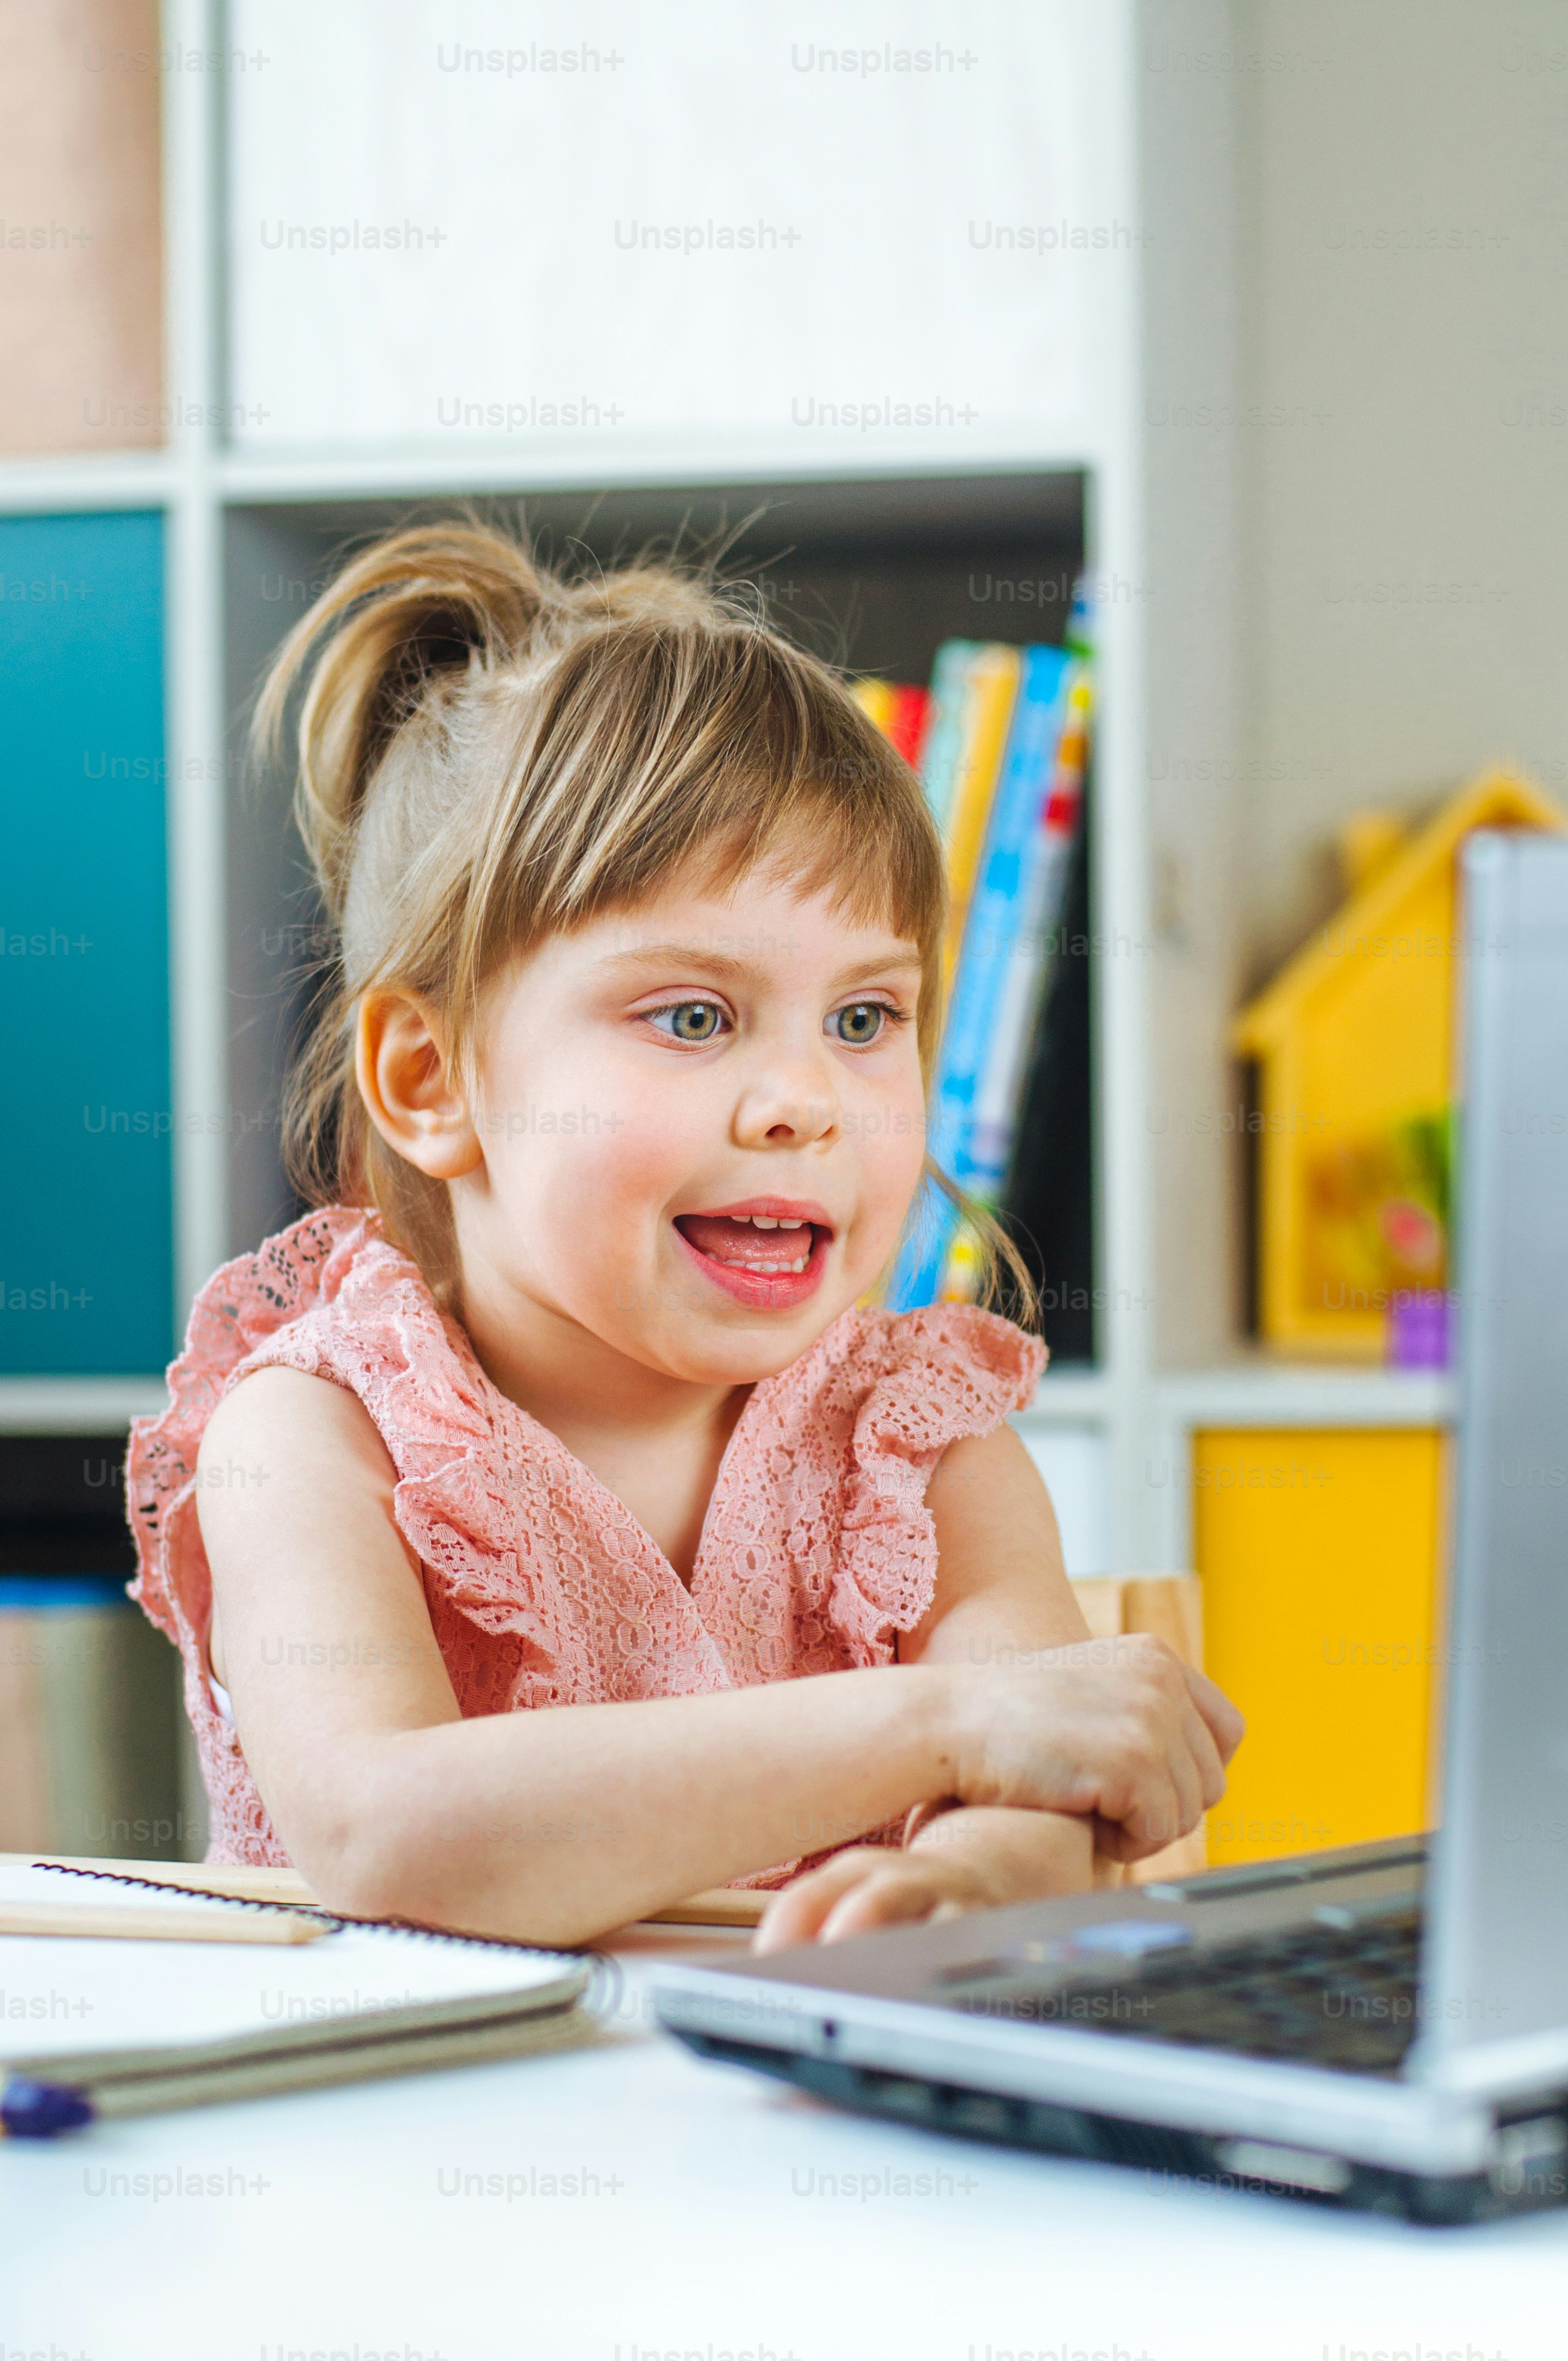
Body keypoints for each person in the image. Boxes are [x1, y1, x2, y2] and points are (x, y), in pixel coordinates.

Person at [128, 523, 1241, 1950]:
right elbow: (380, 1829)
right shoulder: (313, 1437)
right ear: (429, 1078)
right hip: (396, 2143)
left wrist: (974, 1876)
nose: (804, 1102)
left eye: (863, 1019)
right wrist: (945, 1722)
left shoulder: (921, 1446)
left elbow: (1038, 1791)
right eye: (695, 1017)